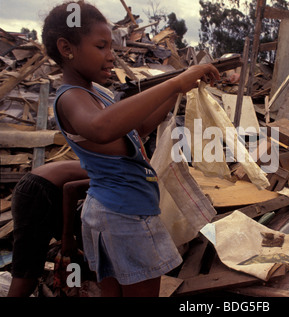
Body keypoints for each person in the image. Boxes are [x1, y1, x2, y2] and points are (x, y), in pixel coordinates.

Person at [41, 1, 220, 297]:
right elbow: (101, 127)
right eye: (101, 47)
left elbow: (136, 130)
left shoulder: (94, 93)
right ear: (66, 47)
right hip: (125, 217)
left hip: (112, 213)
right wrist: (174, 82)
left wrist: (181, 89)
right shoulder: (70, 97)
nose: (111, 56)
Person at [7, 161, 89, 297]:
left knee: (77, 252)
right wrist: (67, 236)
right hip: (39, 190)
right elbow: (70, 188)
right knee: (26, 275)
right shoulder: (128, 175)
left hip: (45, 189)